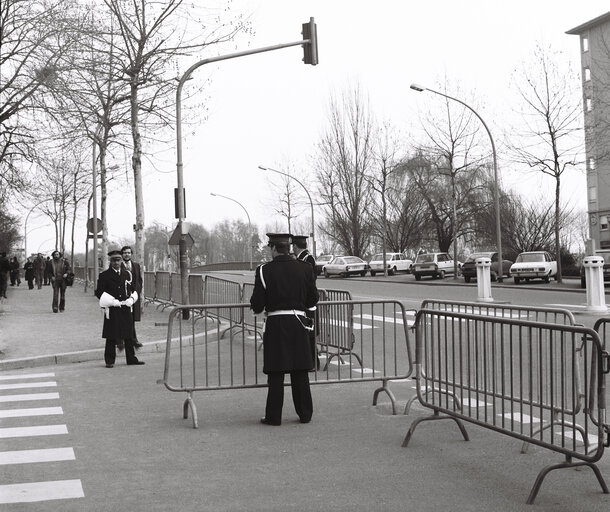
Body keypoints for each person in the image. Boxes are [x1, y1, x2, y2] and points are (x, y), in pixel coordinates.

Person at [250, 233, 318, 426]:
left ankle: (274, 416)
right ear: (288, 248)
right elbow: (312, 299)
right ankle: (305, 414)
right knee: (300, 372)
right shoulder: (304, 268)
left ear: (273, 248)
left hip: (276, 323)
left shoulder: (264, 271)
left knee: (276, 373)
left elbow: (257, 303)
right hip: (298, 323)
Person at [95, 250, 144, 368]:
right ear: (110, 262)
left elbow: (132, 289)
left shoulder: (127, 274)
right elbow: (99, 292)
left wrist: (132, 299)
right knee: (111, 335)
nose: (116, 263)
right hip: (112, 308)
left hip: (125, 307)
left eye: (118, 260)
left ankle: (131, 359)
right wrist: (111, 301)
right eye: (113, 260)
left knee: (128, 334)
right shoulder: (104, 275)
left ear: (121, 260)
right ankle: (109, 360)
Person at [292, 235, 319, 368]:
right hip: (304, 301)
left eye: (293, 246)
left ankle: (313, 362)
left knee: (310, 334)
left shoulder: (308, 259)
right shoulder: (300, 259)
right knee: (306, 333)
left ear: (295, 246)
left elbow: (311, 280)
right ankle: (309, 360)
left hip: (307, 301)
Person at [121, 246, 143, 349]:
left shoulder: (136, 266)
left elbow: (139, 280)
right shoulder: (118, 265)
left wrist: (138, 292)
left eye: (129, 253)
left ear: (131, 254)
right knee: (123, 318)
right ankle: (123, 340)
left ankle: (133, 339)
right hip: (122, 297)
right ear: (122, 255)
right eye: (125, 253)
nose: (127, 254)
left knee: (132, 318)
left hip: (133, 297)